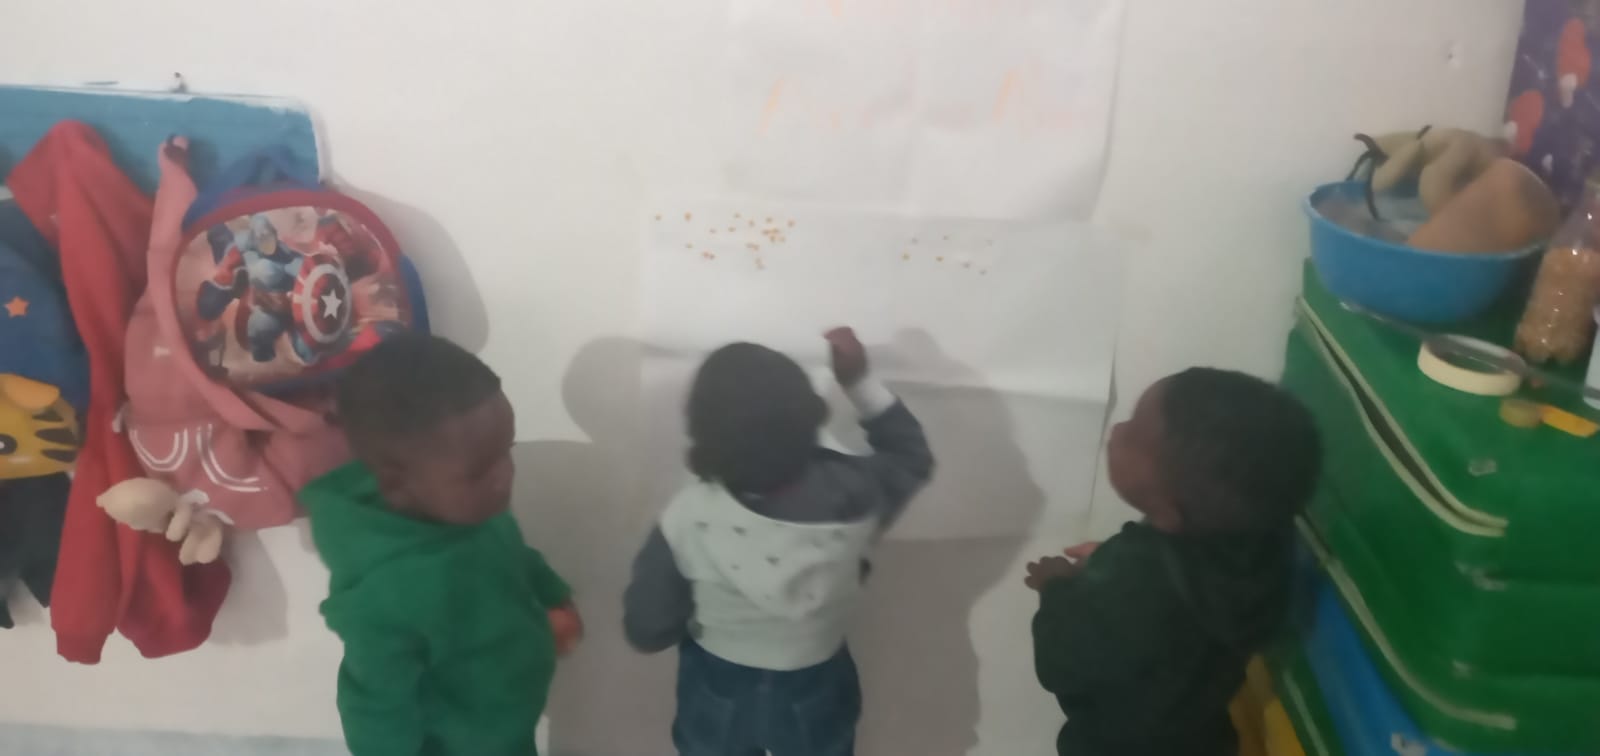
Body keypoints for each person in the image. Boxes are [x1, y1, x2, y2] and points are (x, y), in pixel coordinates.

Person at [623, 327, 935, 756]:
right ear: (808, 416)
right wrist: (858, 381)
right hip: (818, 680)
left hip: (718, 682)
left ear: (703, 430)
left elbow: (647, 629)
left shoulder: (686, 516)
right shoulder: (857, 492)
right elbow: (911, 456)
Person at [302, 332, 582, 755]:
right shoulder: (386, 597)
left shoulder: (472, 510)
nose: (505, 476)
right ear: (397, 485)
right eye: (479, 470)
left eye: (506, 450)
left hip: (509, 723)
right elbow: (375, 708)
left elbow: (514, 555)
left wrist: (552, 594)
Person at [1026, 368, 1321, 756]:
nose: (1118, 429)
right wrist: (1113, 563)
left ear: (1168, 513)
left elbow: (1060, 663)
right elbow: (1182, 587)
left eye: (1133, 434)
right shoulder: (1266, 541)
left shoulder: (1135, 580)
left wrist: (1055, 586)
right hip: (1202, 737)